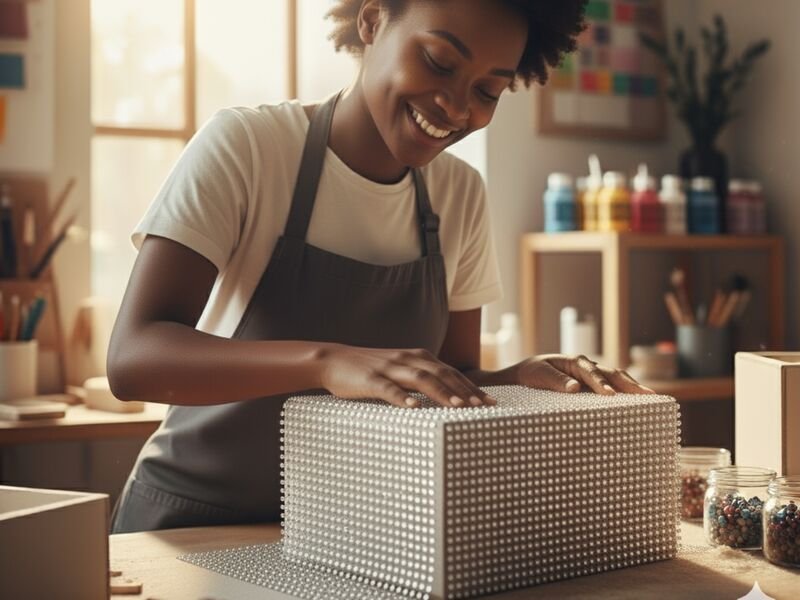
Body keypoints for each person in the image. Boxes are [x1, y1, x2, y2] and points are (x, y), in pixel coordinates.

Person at [108, 0, 653, 534]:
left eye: (488, 91)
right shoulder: (248, 148)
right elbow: (133, 359)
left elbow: (452, 377)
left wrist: (521, 377)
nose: (457, 108)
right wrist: (325, 363)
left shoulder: (459, 193)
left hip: (346, 533)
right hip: (188, 521)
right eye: (439, 62)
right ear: (371, 21)